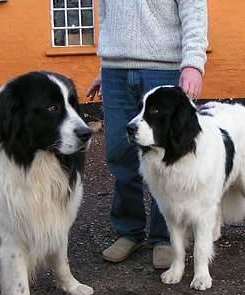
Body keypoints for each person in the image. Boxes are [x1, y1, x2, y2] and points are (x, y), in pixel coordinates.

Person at [87, 0, 208, 269]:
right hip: (115, 72)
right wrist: (104, 67)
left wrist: (193, 63)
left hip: (162, 67)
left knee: (166, 158)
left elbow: (194, 9)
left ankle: (164, 238)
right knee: (120, 154)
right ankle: (129, 232)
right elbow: (107, 16)